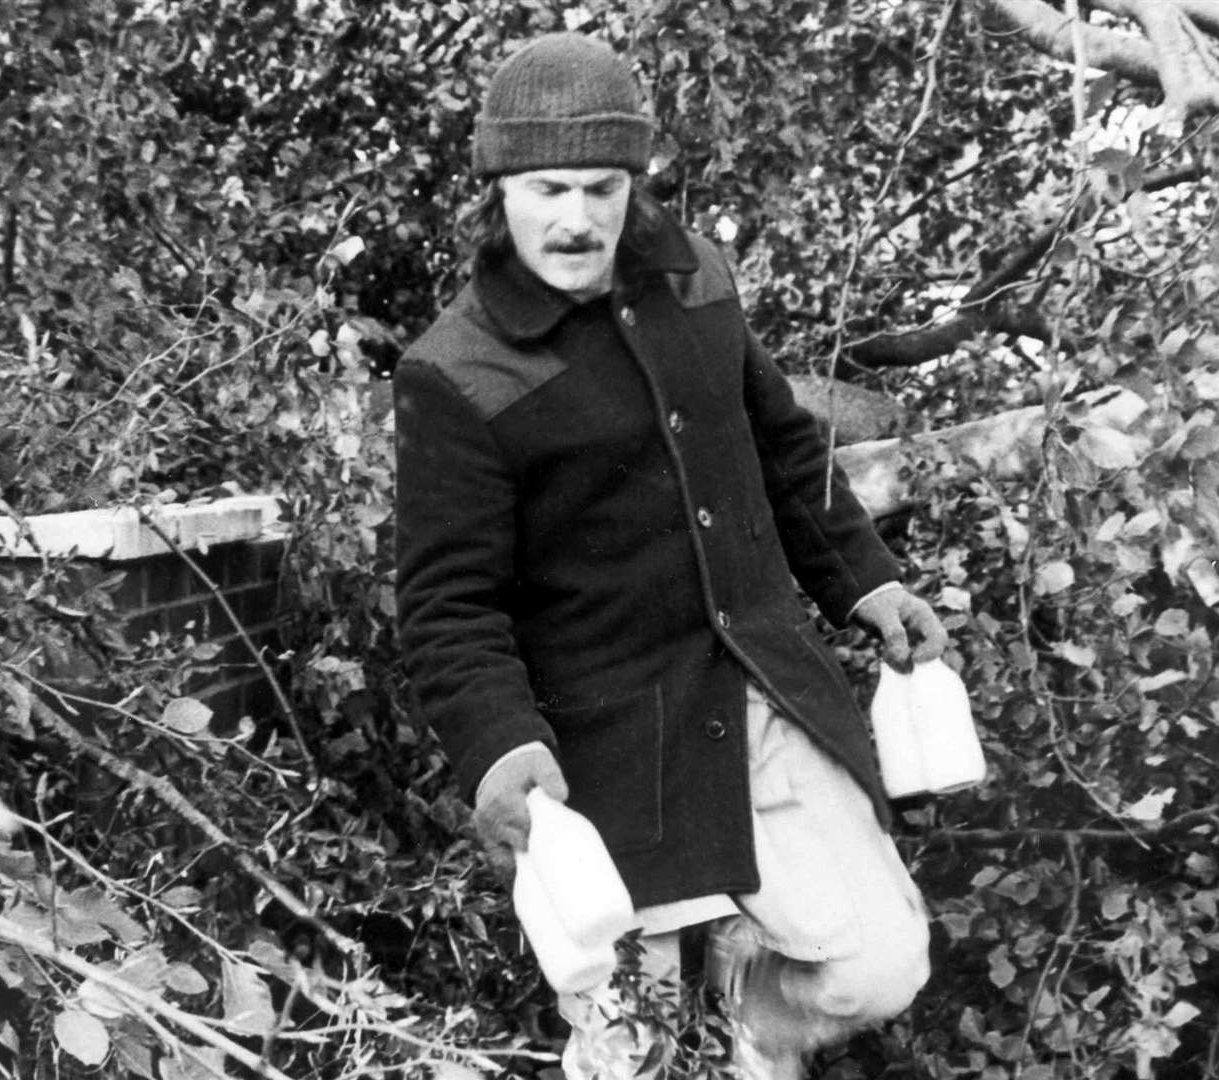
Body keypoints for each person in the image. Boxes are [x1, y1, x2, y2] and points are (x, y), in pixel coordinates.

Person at [393, 31, 948, 1080]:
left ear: (632, 183)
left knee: (879, 965)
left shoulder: (692, 279)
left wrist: (865, 580)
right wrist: (504, 749)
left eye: (602, 187)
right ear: (497, 191)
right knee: (626, 1051)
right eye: (548, 187)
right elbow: (445, 605)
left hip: (756, 692)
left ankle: (741, 1024)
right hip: (609, 750)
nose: (576, 217)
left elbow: (781, 447)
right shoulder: (453, 373)